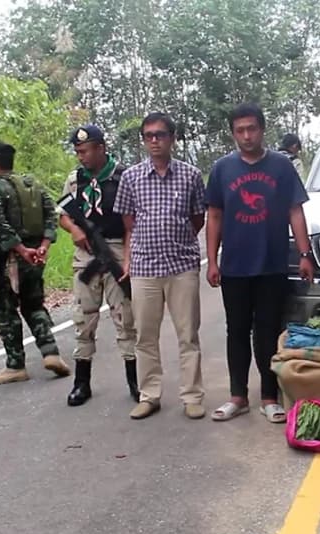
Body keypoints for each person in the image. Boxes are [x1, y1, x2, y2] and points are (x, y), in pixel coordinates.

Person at [205, 103, 314, 424]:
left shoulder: (281, 166)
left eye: (252, 128)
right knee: (235, 331)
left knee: (267, 331)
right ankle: (237, 396)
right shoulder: (223, 168)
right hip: (235, 266)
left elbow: (296, 210)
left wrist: (305, 254)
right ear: (233, 133)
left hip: (272, 263)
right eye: (240, 130)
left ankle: (269, 396)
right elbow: (214, 215)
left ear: (262, 129)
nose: (247, 135)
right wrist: (212, 260)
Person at [113, 113, 207, 420]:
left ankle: (192, 396)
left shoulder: (191, 175)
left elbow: (197, 219)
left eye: (160, 135)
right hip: (144, 268)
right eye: (149, 135)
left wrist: (175, 240)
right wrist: (130, 257)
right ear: (143, 140)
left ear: (172, 138)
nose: (154, 140)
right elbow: (129, 222)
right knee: (145, 336)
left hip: (181, 266)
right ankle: (149, 395)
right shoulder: (131, 177)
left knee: (188, 335)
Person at [0, 142, 71, 385]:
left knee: (6, 311)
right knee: (34, 305)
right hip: (34, 257)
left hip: (6, 258)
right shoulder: (32, 185)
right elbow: (51, 214)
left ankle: (15, 365)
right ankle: (50, 352)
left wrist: (19, 248)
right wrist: (43, 246)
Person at [60, 124, 139, 407]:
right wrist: (74, 229)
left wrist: (128, 258)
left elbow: (132, 222)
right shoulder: (74, 180)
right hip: (86, 255)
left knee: (125, 318)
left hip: (116, 249)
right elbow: (63, 214)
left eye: (85, 151)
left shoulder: (124, 177)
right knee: (84, 318)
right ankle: (82, 382)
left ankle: (135, 380)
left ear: (101, 148)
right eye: (78, 152)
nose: (81, 157)